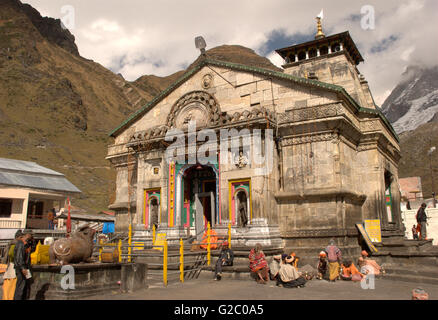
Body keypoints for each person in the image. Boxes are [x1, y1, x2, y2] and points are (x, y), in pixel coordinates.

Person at [1, 230, 23, 300]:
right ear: (18, 237)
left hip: (9, 268)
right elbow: (11, 255)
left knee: (7, 286)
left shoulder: (11, 244)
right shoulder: (15, 245)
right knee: (11, 286)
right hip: (12, 268)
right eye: (21, 237)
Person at [13, 232, 33, 300]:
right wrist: (23, 268)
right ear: (26, 235)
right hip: (22, 269)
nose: (31, 236)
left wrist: (32, 242)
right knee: (20, 287)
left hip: (26, 268)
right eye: (31, 234)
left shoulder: (27, 244)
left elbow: (33, 250)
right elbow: (19, 258)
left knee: (26, 286)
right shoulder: (20, 244)